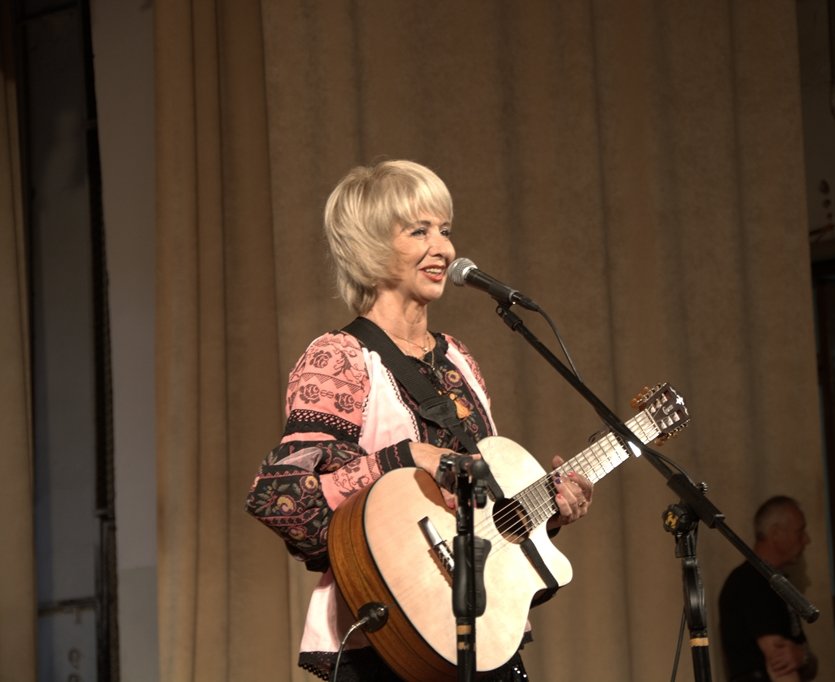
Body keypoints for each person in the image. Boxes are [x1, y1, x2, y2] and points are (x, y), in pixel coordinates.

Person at [244, 159, 593, 681]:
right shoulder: (340, 358)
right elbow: (282, 498)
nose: (444, 249)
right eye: (419, 231)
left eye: (445, 230)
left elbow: (477, 516)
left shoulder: (459, 358)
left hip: (480, 634)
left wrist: (547, 515)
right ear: (370, 245)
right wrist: (408, 457)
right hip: (388, 639)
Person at [719, 495, 817, 682]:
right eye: (800, 532)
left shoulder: (779, 584)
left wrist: (803, 656)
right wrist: (802, 657)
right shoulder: (751, 583)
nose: (806, 540)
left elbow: (803, 658)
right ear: (776, 533)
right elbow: (782, 665)